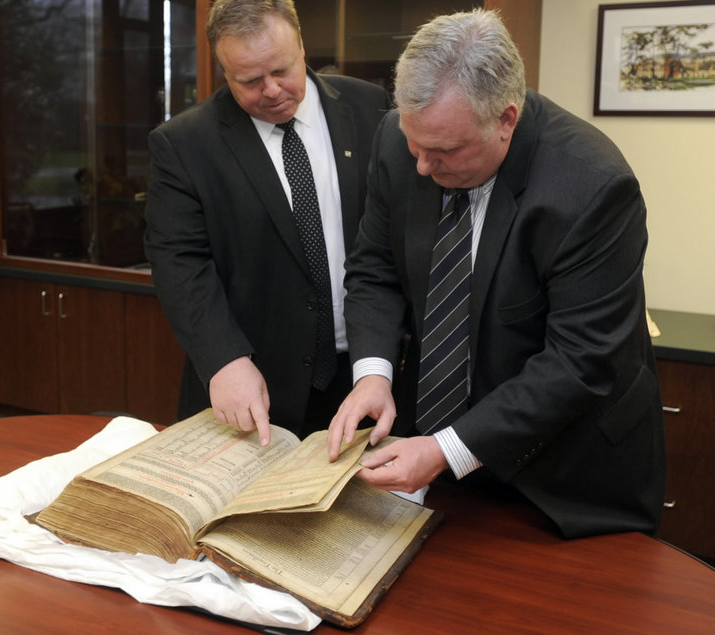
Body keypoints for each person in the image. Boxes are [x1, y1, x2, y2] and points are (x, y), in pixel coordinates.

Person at [327, 9, 665, 538]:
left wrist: (448, 449)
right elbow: (374, 268)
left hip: (562, 480)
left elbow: (579, 362)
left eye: (443, 151)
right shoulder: (403, 140)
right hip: (438, 462)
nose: (421, 166)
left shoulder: (593, 187)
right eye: (415, 145)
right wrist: (374, 372)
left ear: (505, 119)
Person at [143, 0, 390, 443]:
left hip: (362, 377)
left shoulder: (369, 107)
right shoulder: (184, 144)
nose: (272, 90)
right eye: (250, 81)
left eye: (281, 70)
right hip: (249, 381)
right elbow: (179, 262)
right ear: (223, 70)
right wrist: (223, 359)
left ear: (301, 45)